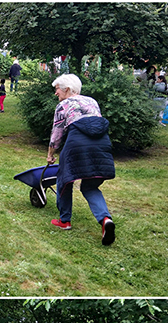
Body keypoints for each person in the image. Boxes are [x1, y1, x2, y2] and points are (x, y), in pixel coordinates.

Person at [46, 73, 116, 246]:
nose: (56, 93)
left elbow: (57, 133)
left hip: (77, 143)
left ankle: (65, 221)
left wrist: (50, 154)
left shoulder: (63, 105)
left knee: (64, 180)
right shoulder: (92, 101)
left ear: (67, 89)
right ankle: (105, 219)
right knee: (90, 185)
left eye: (57, 89)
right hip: (101, 144)